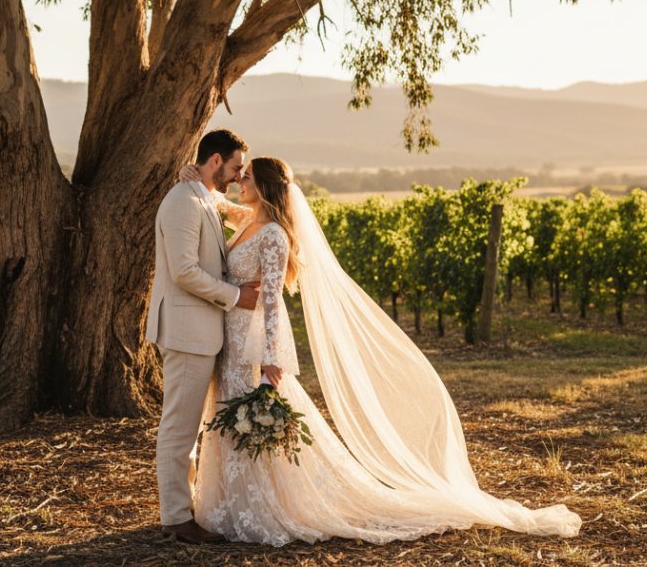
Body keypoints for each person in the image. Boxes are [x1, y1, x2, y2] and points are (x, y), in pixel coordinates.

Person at [180, 156, 582, 546]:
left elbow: (272, 303)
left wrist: (271, 361)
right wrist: (195, 179)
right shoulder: (250, 220)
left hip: (252, 347)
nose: (240, 182)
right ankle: (229, 506)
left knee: (248, 421)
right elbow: (217, 202)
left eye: (247, 177)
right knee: (227, 416)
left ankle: (258, 508)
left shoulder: (273, 236)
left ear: (265, 187)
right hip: (229, 341)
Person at [146, 128, 261, 544]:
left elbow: (253, 214)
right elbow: (184, 271)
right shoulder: (181, 202)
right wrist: (236, 297)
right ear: (214, 160)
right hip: (185, 331)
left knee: (187, 426)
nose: (236, 176)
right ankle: (175, 517)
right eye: (234, 167)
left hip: (200, 332)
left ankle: (182, 510)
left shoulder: (200, 194)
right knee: (179, 428)